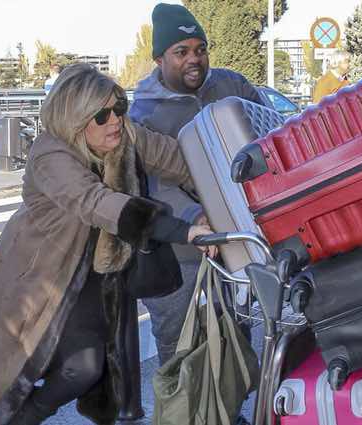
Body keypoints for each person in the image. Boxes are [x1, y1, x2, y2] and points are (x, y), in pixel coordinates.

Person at [0, 63, 215, 425]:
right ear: (75, 119)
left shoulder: (125, 135)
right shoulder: (50, 154)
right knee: (16, 369)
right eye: (101, 115)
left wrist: (219, 196)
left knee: (84, 368)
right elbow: (94, 201)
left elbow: (180, 161)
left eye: (118, 108)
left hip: (95, 273)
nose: (115, 119)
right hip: (40, 275)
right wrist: (182, 230)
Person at [129, 2, 265, 366]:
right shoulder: (143, 114)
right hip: (180, 253)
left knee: (235, 336)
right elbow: (152, 184)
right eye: (181, 52)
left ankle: (230, 412)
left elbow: (269, 132)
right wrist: (195, 217)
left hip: (238, 240)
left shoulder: (232, 85)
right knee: (179, 346)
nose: (194, 59)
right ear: (159, 58)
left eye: (200, 50)